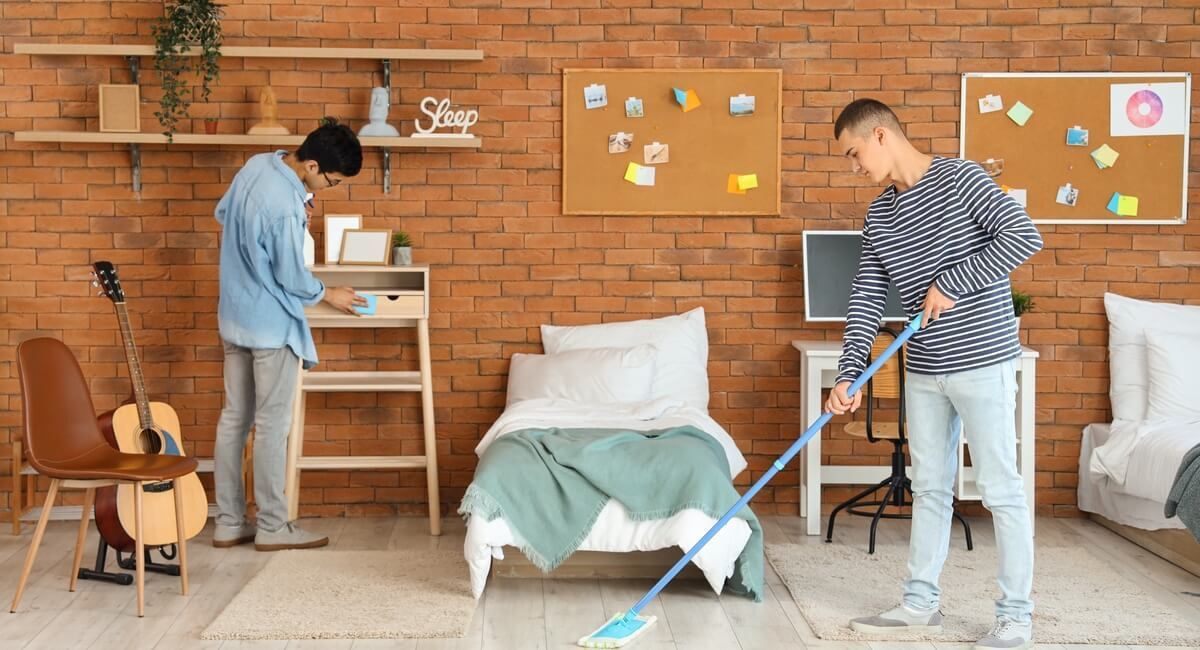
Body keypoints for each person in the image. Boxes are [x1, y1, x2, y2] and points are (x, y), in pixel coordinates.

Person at [825, 99, 1043, 650]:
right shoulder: (881, 215)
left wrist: (953, 282)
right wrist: (849, 374)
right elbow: (868, 297)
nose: (855, 168)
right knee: (929, 488)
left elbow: (1023, 236)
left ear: (880, 136)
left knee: (1000, 489)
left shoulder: (961, 179)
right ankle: (920, 604)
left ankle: (1016, 616)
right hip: (924, 368)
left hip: (983, 361)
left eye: (854, 155)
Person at [212, 119, 367, 551]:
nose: (328, 190)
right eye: (331, 182)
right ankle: (273, 528)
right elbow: (290, 275)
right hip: (269, 325)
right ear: (313, 164)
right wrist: (327, 293)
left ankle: (227, 522)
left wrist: (298, 213)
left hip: (234, 315)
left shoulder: (257, 164)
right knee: (271, 426)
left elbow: (222, 213)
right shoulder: (284, 203)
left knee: (233, 420)